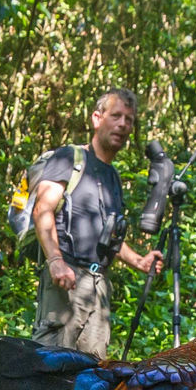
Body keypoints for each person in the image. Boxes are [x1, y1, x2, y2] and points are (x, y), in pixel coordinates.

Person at [31, 89, 165, 359]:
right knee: (50, 366)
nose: (122, 125)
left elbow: (109, 237)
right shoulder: (69, 158)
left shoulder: (113, 176)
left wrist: (139, 261)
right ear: (96, 118)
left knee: (92, 372)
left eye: (129, 120)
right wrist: (56, 261)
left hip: (99, 285)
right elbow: (42, 209)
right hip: (66, 279)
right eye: (116, 116)